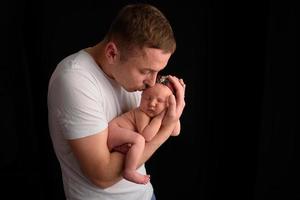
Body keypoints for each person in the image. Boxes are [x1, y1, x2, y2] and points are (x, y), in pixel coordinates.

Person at [47, 3, 185, 200]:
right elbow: (102, 176)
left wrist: (169, 112)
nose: (152, 82)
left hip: (145, 194)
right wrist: (165, 128)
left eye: (157, 72)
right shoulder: (74, 79)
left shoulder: (132, 77)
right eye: (146, 71)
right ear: (112, 53)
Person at [108, 76, 181, 185]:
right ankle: (129, 170)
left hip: (122, 139)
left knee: (137, 142)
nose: (152, 104)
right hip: (115, 131)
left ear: (168, 105)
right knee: (139, 140)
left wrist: (173, 113)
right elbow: (147, 136)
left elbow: (175, 132)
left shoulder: (158, 114)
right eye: (147, 98)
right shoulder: (141, 113)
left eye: (159, 101)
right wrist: (159, 117)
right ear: (141, 96)